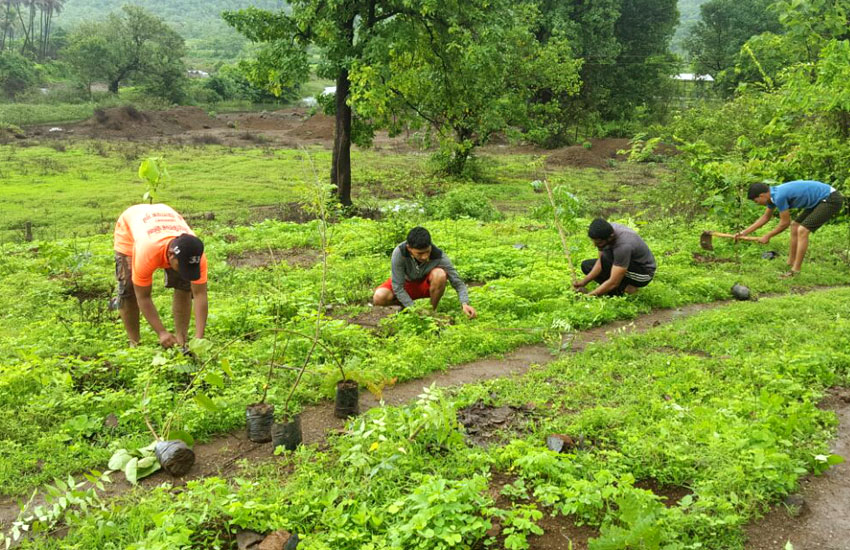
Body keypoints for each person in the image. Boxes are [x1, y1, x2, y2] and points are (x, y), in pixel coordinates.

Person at [113, 203, 208, 348]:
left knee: (184, 285)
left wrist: (199, 338)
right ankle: (134, 343)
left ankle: (181, 340)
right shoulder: (147, 251)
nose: (185, 270)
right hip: (130, 227)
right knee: (128, 289)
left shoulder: (195, 252)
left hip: (164, 216)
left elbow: (200, 294)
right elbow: (143, 296)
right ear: (171, 255)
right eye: (181, 266)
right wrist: (161, 332)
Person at [737, 180, 843, 277]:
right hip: (819, 200)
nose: (757, 204)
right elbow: (765, 217)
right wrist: (744, 232)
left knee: (802, 230)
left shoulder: (779, 196)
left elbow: (784, 223)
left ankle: (795, 270)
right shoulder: (772, 196)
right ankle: (791, 262)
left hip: (830, 199)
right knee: (795, 226)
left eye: (756, 201)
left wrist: (768, 236)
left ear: (762, 195)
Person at [373, 226, 477, 318]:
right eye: (420, 253)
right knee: (379, 297)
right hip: (406, 284)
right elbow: (398, 287)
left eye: (427, 251)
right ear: (409, 248)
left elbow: (457, 282)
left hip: (426, 285)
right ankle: (406, 307)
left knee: (440, 274)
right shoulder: (399, 253)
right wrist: (414, 310)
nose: (425, 256)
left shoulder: (438, 255)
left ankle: (431, 312)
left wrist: (465, 303)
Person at [573, 218, 656, 297]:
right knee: (587, 266)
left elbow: (614, 282)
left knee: (607, 261)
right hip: (624, 263)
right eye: (594, 241)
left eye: (598, 242)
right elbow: (600, 264)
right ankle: (618, 288)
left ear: (610, 237)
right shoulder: (605, 232)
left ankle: (627, 289)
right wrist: (583, 282)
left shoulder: (623, 246)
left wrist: (589, 296)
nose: (595, 245)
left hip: (643, 273)